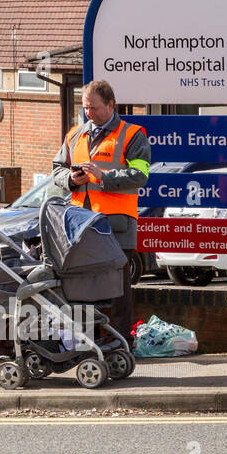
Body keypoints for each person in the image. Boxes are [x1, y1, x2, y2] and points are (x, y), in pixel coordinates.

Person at [51, 79, 149, 342]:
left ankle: (119, 341)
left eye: (93, 108)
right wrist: (71, 180)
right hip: (81, 224)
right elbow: (57, 170)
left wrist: (103, 177)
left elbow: (140, 174)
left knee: (118, 287)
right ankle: (85, 340)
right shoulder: (75, 134)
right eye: (85, 108)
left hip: (117, 223)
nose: (88, 113)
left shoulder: (132, 134)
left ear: (110, 104)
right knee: (82, 284)